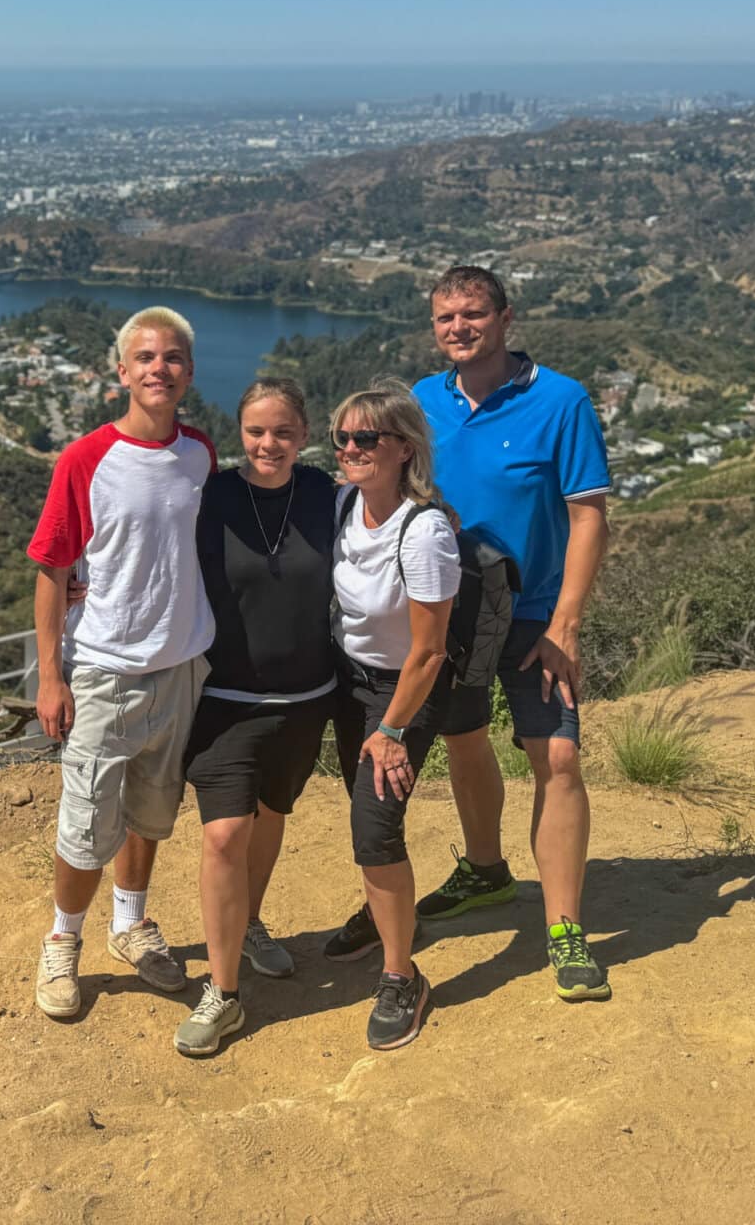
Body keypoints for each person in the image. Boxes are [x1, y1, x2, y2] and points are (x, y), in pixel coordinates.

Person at [412, 265, 612, 1003]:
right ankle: (486, 871)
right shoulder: (423, 401)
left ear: (505, 317)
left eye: (472, 314)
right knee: (464, 741)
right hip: (453, 612)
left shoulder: (560, 401)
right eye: (445, 319)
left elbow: (589, 513)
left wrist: (567, 621)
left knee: (556, 756)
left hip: (533, 614)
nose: (458, 328)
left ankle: (563, 928)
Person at [27, 307, 216, 1020]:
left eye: (171, 358)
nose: (157, 369)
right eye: (144, 358)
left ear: (188, 372)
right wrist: (51, 674)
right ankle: (63, 939)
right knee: (84, 823)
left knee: (150, 812)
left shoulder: (200, 453)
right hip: (104, 668)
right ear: (121, 372)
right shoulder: (86, 459)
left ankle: (130, 926)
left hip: (181, 667)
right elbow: (50, 567)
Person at [173, 377, 340, 1057]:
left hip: (305, 702)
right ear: (238, 433)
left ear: (304, 435)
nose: (268, 444)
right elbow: (148, 551)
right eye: (255, 431)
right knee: (223, 835)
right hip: (226, 698)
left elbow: (392, 522)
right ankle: (224, 993)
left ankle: (250, 924)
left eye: (282, 432)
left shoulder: (328, 496)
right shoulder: (210, 497)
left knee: (272, 817)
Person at [319, 380, 461, 1051]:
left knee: (375, 828)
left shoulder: (424, 530)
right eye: (342, 437)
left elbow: (430, 651)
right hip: (350, 682)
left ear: (403, 448)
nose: (350, 449)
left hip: (401, 692)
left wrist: (392, 730)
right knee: (364, 807)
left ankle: (402, 976)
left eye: (366, 438)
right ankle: (386, 917)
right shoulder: (347, 504)